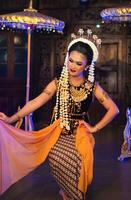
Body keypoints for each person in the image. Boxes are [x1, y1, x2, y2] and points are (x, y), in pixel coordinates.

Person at [0, 29, 119, 200]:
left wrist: (95, 128)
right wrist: (12, 118)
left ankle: (73, 194)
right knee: (56, 157)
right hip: (57, 131)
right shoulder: (58, 83)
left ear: (87, 66)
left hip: (80, 133)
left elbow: (114, 109)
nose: (73, 66)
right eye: (70, 60)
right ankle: (68, 191)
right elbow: (36, 102)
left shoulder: (93, 87)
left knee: (78, 161)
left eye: (79, 63)